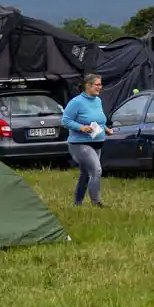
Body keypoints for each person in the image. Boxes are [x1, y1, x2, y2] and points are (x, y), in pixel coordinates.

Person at [61, 74, 107, 209]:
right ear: (88, 86)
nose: (100, 87)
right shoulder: (76, 102)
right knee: (96, 170)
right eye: (97, 84)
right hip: (79, 143)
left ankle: (77, 204)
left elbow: (98, 121)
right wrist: (81, 127)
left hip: (97, 141)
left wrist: (106, 129)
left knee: (85, 174)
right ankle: (96, 203)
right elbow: (65, 121)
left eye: (100, 84)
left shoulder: (98, 101)